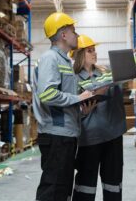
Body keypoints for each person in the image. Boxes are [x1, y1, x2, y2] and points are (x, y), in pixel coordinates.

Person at [71, 34, 136, 201]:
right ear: (79, 55)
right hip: (88, 140)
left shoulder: (106, 72)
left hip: (112, 137)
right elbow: (68, 109)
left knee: (113, 184)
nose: (94, 53)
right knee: (85, 186)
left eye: (94, 50)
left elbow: (134, 60)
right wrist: (84, 109)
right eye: (90, 51)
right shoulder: (72, 80)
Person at [32, 12, 95, 201]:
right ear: (63, 35)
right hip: (56, 135)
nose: (77, 35)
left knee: (62, 189)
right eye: (73, 31)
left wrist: (82, 111)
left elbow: (62, 97)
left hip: (66, 135)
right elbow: (47, 94)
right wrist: (78, 98)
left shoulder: (65, 61)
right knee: (53, 190)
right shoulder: (50, 58)